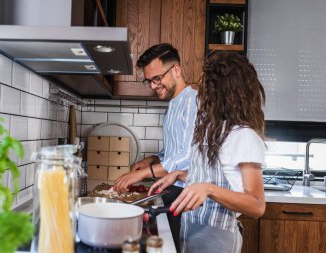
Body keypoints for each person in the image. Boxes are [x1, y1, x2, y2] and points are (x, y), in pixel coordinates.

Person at [148, 51, 266, 253]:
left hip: (216, 238)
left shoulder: (244, 136)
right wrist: (181, 175)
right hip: (192, 231)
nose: (199, 92)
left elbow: (256, 205)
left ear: (223, 92)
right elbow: (216, 178)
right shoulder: (214, 130)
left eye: (205, 87)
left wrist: (208, 189)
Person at [113, 43, 197, 252]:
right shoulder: (172, 106)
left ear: (176, 69)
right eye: (148, 81)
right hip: (172, 190)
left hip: (187, 195)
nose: (152, 86)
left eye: (156, 79)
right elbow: (172, 152)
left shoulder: (193, 102)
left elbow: (186, 157)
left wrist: (142, 175)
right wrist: (150, 160)